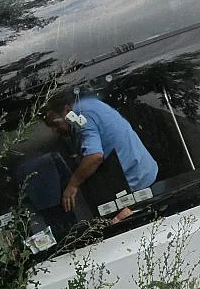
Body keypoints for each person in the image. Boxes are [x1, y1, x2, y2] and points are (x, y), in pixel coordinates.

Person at [44, 90, 158, 222]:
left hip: (135, 186)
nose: (54, 130)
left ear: (67, 110)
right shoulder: (88, 104)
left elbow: (94, 156)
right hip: (144, 172)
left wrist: (73, 185)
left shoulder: (82, 117)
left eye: (55, 123)